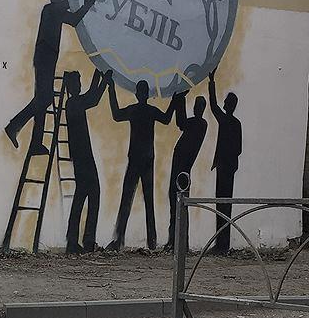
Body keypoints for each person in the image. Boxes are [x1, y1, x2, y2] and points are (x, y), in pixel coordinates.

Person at [5, 0, 97, 155]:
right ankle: (14, 126)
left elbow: (73, 18)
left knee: (41, 99)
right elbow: (71, 13)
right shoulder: (51, 9)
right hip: (45, 58)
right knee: (45, 99)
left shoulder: (56, 10)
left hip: (46, 58)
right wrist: (84, 1)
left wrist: (83, 4)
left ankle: (35, 143)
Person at [106, 79, 175, 251]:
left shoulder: (134, 110)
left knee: (126, 199)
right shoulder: (150, 111)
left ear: (137, 94)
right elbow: (167, 119)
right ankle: (151, 241)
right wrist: (175, 100)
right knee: (149, 201)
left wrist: (111, 88)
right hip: (147, 159)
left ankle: (118, 239)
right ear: (147, 95)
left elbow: (116, 115)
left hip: (136, 159)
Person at [64, 69, 110, 253]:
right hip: (82, 156)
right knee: (90, 194)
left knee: (83, 195)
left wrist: (99, 75)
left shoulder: (73, 103)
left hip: (82, 155)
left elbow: (91, 96)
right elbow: (93, 98)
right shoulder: (73, 103)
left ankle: (76, 241)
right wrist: (103, 79)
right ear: (70, 87)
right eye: (76, 83)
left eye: (79, 82)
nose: (78, 85)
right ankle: (83, 240)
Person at [164, 91, 207, 252]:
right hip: (181, 167)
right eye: (195, 106)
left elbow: (181, 123)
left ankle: (179, 242)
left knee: (178, 204)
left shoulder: (200, 123)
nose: (195, 108)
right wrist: (179, 99)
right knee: (177, 203)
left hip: (182, 169)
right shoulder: (198, 123)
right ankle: (176, 241)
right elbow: (181, 123)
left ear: (201, 108)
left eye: (198, 106)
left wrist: (179, 99)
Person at [209, 69, 243, 254]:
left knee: (221, 205)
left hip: (224, 167)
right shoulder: (236, 124)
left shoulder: (226, 121)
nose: (223, 104)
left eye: (226, 102)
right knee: (225, 205)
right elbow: (239, 149)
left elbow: (213, 105)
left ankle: (221, 245)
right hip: (230, 167)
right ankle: (223, 244)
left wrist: (211, 82)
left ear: (229, 105)